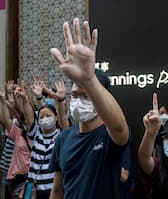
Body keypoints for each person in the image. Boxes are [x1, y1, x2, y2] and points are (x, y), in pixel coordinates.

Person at [49, 18, 130, 199]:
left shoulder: (109, 136)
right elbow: (57, 190)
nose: (78, 101)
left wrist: (88, 80)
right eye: (75, 95)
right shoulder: (63, 138)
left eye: (86, 96)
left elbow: (119, 127)